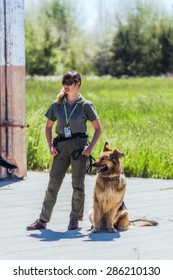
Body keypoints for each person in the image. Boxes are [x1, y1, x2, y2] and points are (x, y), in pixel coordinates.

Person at [27, 70, 102, 231]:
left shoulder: (85, 106)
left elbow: (98, 129)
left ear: (77, 84)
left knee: (77, 184)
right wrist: (50, 146)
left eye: (69, 83)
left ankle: (74, 219)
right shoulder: (57, 105)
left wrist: (90, 148)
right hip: (60, 148)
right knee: (53, 184)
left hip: (79, 149)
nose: (66, 86)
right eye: (64, 83)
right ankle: (42, 220)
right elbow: (48, 127)